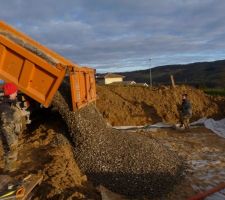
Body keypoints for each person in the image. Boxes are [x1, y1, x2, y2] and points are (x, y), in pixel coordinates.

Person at [0, 83, 25, 171]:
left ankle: (10, 169)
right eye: (15, 92)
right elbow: (6, 127)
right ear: (10, 93)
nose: (16, 94)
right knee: (11, 155)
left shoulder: (10, 104)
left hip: (12, 136)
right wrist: (12, 143)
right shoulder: (6, 108)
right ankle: (9, 172)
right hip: (10, 139)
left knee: (11, 155)